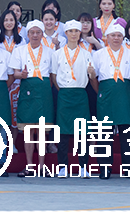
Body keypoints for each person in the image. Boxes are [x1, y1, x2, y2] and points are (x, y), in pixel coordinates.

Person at [92, 24, 130, 180]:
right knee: (104, 134)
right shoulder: (98, 54)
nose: (116, 38)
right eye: (113, 35)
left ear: (123, 38)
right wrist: (101, 93)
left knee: (127, 133)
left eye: (119, 36)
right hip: (106, 95)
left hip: (125, 95)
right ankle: (104, 168)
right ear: (107, 37)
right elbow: (93, 77)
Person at [10, 20, 54, 178]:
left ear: (42, 34)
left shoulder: (50, 51)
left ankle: (41, 166)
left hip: (44, 91)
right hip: (27, 89)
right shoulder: (19, 51)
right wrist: (20, 75)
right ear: (27, 34)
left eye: (38, 32)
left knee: (41, 132)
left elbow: (53, 75)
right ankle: (29, 166)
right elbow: (14, 72)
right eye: (32, 32)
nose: (35, 35)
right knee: (28, 130)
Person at [52, 19, 94, 178]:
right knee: (63, 133)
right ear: (66, 33)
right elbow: (54, 76)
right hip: (64, 94)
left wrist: (92, 73)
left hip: (80, 94)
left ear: (80, 33)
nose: (74, 34)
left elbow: (92, 76)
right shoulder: (57, 54)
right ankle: (63, 167)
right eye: (70, 31)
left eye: (76, 31)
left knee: (83, 133)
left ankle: (83, 167)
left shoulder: (86, 54)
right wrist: (63, 91)